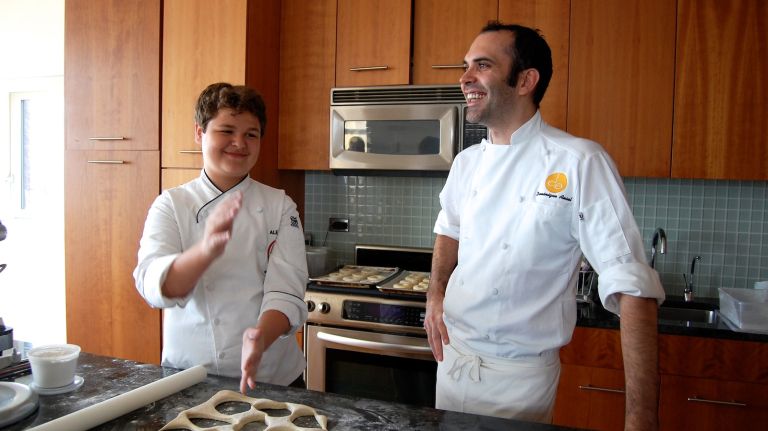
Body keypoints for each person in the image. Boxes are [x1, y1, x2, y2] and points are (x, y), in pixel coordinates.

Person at [424, 22, 665, 429]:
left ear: (525, 80)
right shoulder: (466, 163)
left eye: (482, 65)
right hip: (452, 363)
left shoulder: (578, 162)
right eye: (465, 66)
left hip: (519, 380)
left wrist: (641, 419)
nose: (464, 78)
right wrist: (435, 291)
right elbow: (450, 228)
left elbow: (632, 285)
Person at [133, 82, 308, 394]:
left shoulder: (280, 205)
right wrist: (205, 251)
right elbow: (153, 286)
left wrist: (260, 337)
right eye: (226, 130)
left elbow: (287, 289)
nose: (239, 143)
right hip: (190, 377)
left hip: (272, 376)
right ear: (200, 133)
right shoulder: (172, 204)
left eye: (251, 134)